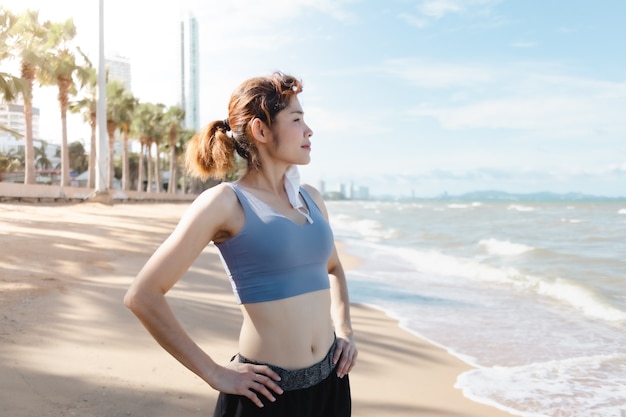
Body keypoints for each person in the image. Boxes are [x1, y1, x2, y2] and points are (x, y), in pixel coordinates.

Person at [124, 71, 357, 417]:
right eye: (296, 120)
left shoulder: (311, 199)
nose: (309, 131)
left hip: (331, 385)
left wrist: (346, 330)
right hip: (265, 396)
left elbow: (334, 267)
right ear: (261, 130)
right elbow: (142, 295)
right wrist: (213, 372)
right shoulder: (225, 203)